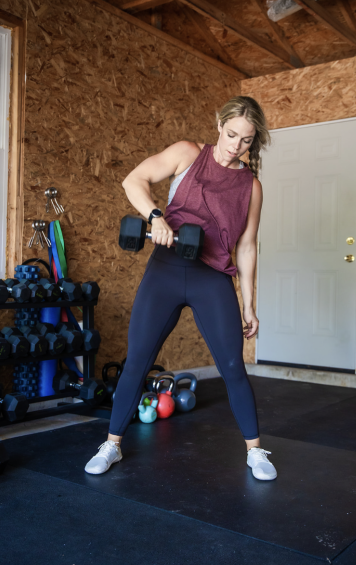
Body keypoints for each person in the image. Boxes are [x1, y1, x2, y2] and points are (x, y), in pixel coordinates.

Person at [85, 96, 277, 481]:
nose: (234, 145)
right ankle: (112, 444)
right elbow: (133, 180)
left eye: (245, 140)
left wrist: (250, 303)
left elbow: (247, 246)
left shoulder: (251, 187)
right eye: (231, 134)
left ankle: (255, 452)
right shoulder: (188, 153)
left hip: (213, 278)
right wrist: (156, 216)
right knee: (137, 360)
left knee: (232, 367)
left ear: (254, 143)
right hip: (166, 270)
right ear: (219, 125)